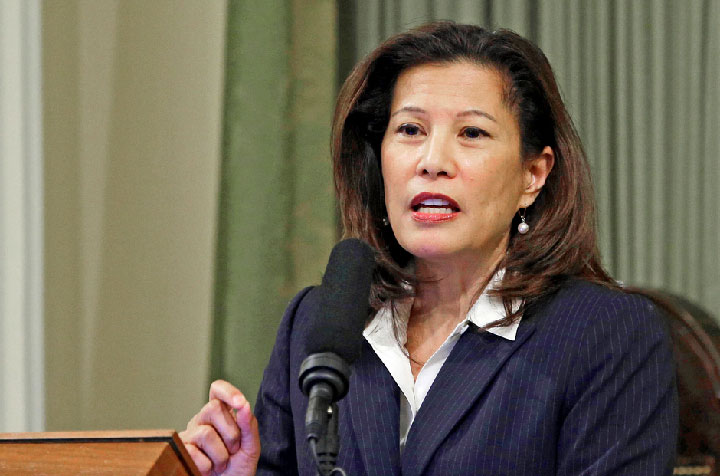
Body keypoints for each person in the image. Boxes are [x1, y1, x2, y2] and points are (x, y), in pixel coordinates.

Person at [180, 21, 678, 476]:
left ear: (533, 175)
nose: (432, 160)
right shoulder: (319, 326)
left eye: (472, 133)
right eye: (410, 130)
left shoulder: (606, 335)